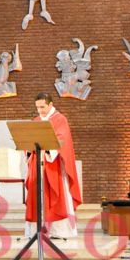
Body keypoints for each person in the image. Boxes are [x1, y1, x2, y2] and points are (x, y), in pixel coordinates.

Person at [24, 93, 82, 240]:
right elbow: (28, 141)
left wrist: (48, 149)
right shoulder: (36, 121)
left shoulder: (59, 119)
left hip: (53, 164)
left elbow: (62, 139)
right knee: (37, 196)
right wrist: (29, 149)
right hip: (37, 165)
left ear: (50, 104)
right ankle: (37, 230)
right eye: (37, 107)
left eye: (42, 107)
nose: (40, 110)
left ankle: (58, 231)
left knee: (56, 196)